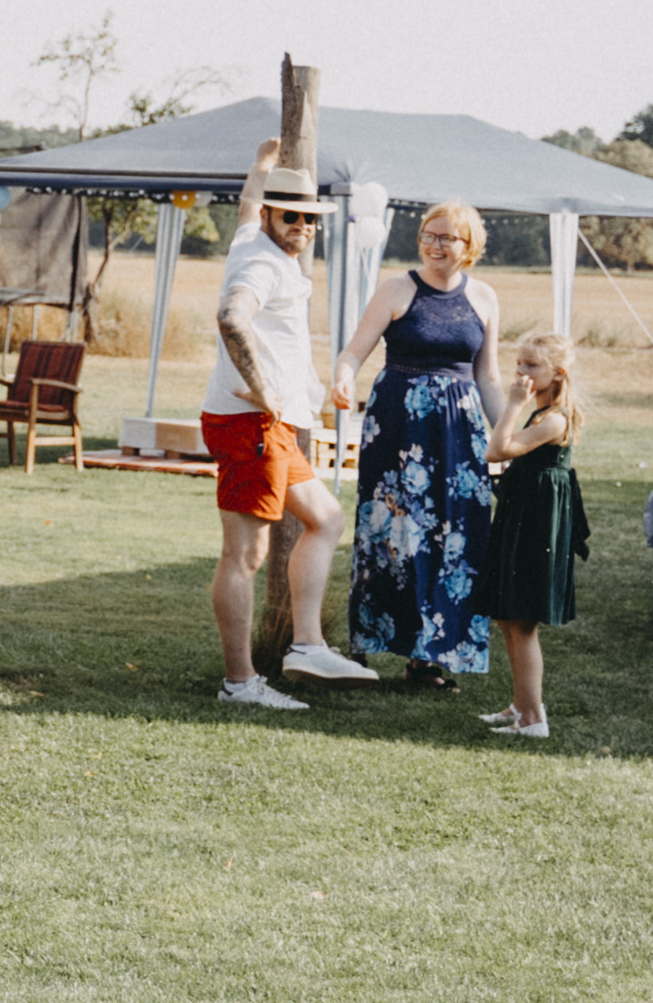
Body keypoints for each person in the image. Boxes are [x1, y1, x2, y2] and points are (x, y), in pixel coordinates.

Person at [205, 141, 380, 709]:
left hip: (267, 426)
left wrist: (259, 164)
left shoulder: (252, 237)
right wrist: (263, 391)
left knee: (326, 518)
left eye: (310, 217)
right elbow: (233, 317)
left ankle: (305, 645)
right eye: (292, 216)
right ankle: (240, 683)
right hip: (250, 423)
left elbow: (247, 203)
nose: (303, 226)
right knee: (245, 557)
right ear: (273, 218)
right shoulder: (260, 263)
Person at [336, 202, 507, 688]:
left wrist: (505, 440)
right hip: (397, 429)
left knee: (456, 538)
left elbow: (488, 376)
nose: (435, 245)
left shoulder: (485, 298)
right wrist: (344, 378)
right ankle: (366, 645)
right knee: (388, 534)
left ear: (468, 245)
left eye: (447, 238)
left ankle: (428, 656)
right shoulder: (397, 288)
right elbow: (354, 351)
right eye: (429, 235)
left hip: (460, 433)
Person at [480, 331, 591, 740]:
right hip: (522, 512)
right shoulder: (542, 412)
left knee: (522, 619)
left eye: (531, 365)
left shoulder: (553, 419)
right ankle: (521, 704)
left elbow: (497, 450)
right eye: (518, 362)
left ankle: (533, 720)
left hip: (537, 520)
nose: (520, 371)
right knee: (508, 616)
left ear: (557, 373)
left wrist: (512, 405)